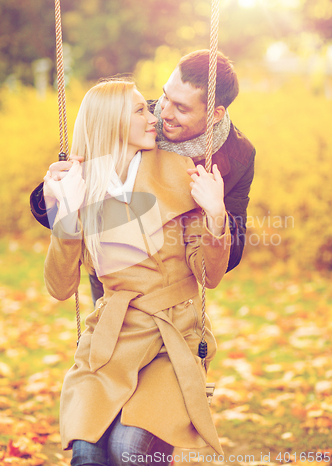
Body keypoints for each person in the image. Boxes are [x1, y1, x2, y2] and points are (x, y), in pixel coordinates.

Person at [43, 78, 231, 466]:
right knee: (88, 453)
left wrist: (216, 214)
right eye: (141, 110)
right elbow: (60, 288)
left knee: (129, 451)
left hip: (172, 338)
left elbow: (209, 276)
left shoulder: (181, 171)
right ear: (112, 122)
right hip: (111, 339)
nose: (155, 116)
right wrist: (65, 216)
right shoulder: (81, 185)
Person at [30, 49, 255, 305]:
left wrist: (212, 213)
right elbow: (88, 169)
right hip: (112, 284)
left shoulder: (238, 156)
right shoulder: (140, 117)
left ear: (215, 114)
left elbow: (229, 251)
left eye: (180, 107)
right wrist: (48, 197)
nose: (162, 113)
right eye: (165, 96)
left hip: (171, 289)